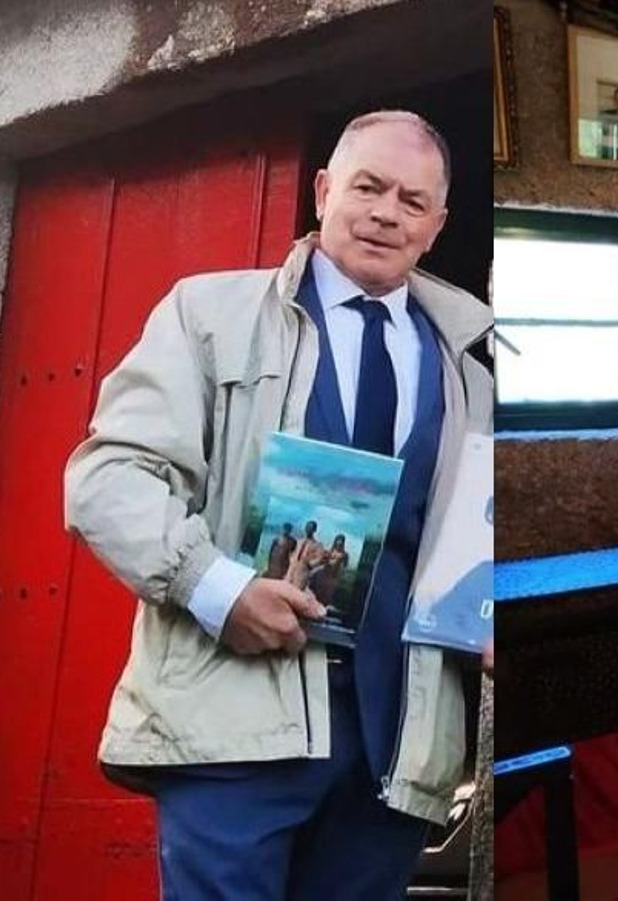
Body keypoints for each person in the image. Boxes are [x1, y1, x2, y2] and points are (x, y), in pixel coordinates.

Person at [64, 109, 492, 899]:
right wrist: (216, 589)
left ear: (436, 225)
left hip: (394, 739)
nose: (385, 212)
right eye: (367, 186)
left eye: (410, 199)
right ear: (324, 190)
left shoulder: (471, 371)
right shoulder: (206, 313)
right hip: (235, 724)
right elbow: (108, 477)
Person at [285, 520, 326, 590]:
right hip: (292, 570)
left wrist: (310, 564)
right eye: (307, 527)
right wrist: (291, 560)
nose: (308, 529)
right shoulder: (299, 541)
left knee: (296, 592)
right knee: (285, 589)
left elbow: (319, 559)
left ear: (314, 530)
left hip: (302, 572)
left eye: (311, 528)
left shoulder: (317, 545)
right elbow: (291, 552)